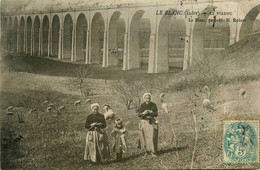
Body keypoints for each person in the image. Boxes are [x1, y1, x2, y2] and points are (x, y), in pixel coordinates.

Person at [137, 93, 158, 157]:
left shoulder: (153, 104)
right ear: (144, 99)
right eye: (146, 98)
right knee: (145, 137)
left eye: (149, 98)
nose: (147, 99)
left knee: (152, 137)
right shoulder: (142, 105)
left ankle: (153, 151)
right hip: (144, 122)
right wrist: (143, 113)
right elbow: (139, 115)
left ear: (150, 98)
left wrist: (152, 112)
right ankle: (147, 151)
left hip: (151, 121)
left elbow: (156, 114)